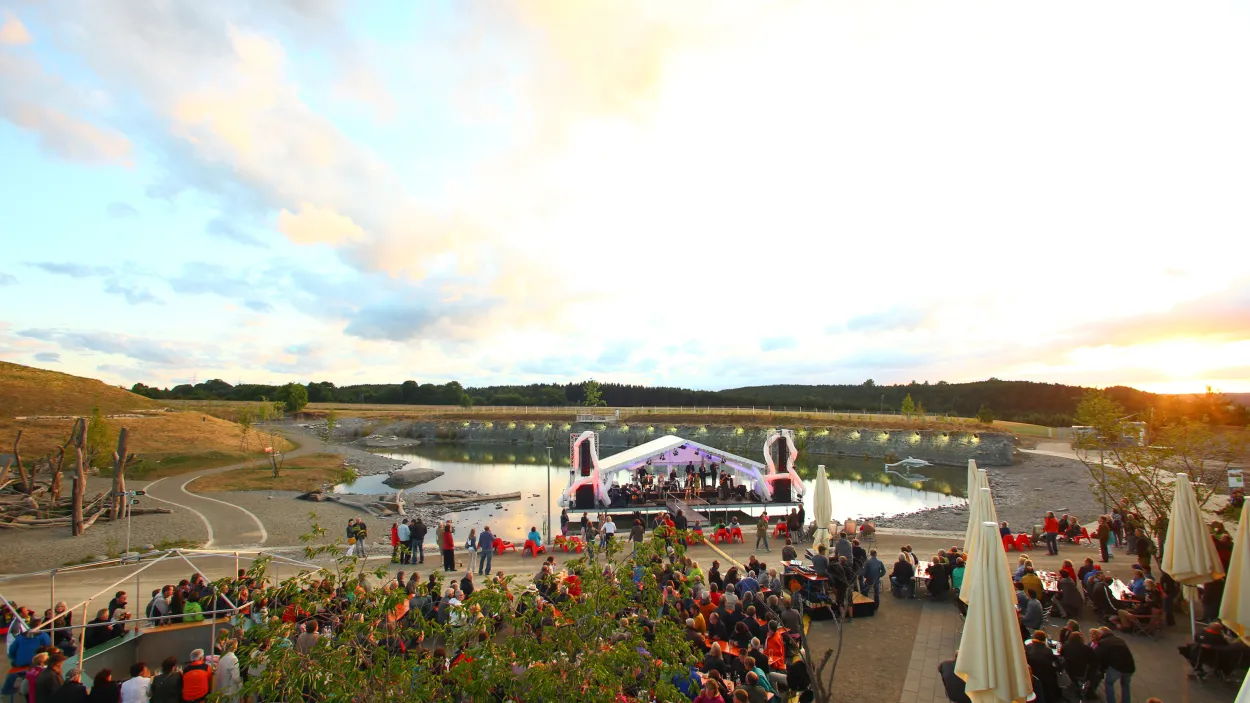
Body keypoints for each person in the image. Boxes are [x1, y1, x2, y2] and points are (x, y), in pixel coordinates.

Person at [1092, 627, 1135, 703]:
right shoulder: (1119, 639)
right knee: (1125, 685)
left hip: (1116, 667)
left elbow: (1100, 657)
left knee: (1109, 683)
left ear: (1102, 634)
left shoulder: (1103, 643)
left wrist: (1101, 669)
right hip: (1130, 667)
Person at [1024, 631, 1061, 703]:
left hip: (1031, 675)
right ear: (1044, 639)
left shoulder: (1028, 648)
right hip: (1046, 678)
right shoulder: (1048, 651)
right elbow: (1054, 663)